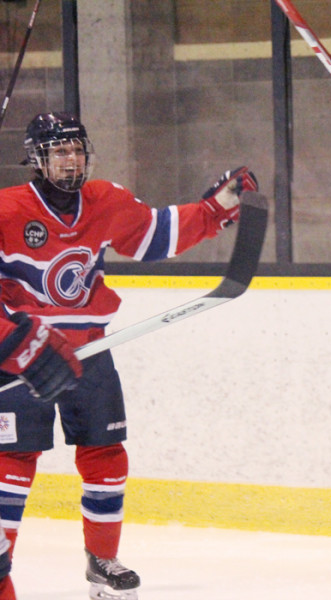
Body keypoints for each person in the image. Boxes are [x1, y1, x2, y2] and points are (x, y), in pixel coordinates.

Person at [0, 112, 257, 600]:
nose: (71, 160)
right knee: (12, 462)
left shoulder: (104, 200)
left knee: (106, 454)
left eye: (77, 150)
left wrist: (216, 209)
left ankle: (102, 561)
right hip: (25, 357)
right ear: (37, 159)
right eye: (60, 152)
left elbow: (154, 235)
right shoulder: (6, 209)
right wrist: (14, 343)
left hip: (90, 350)